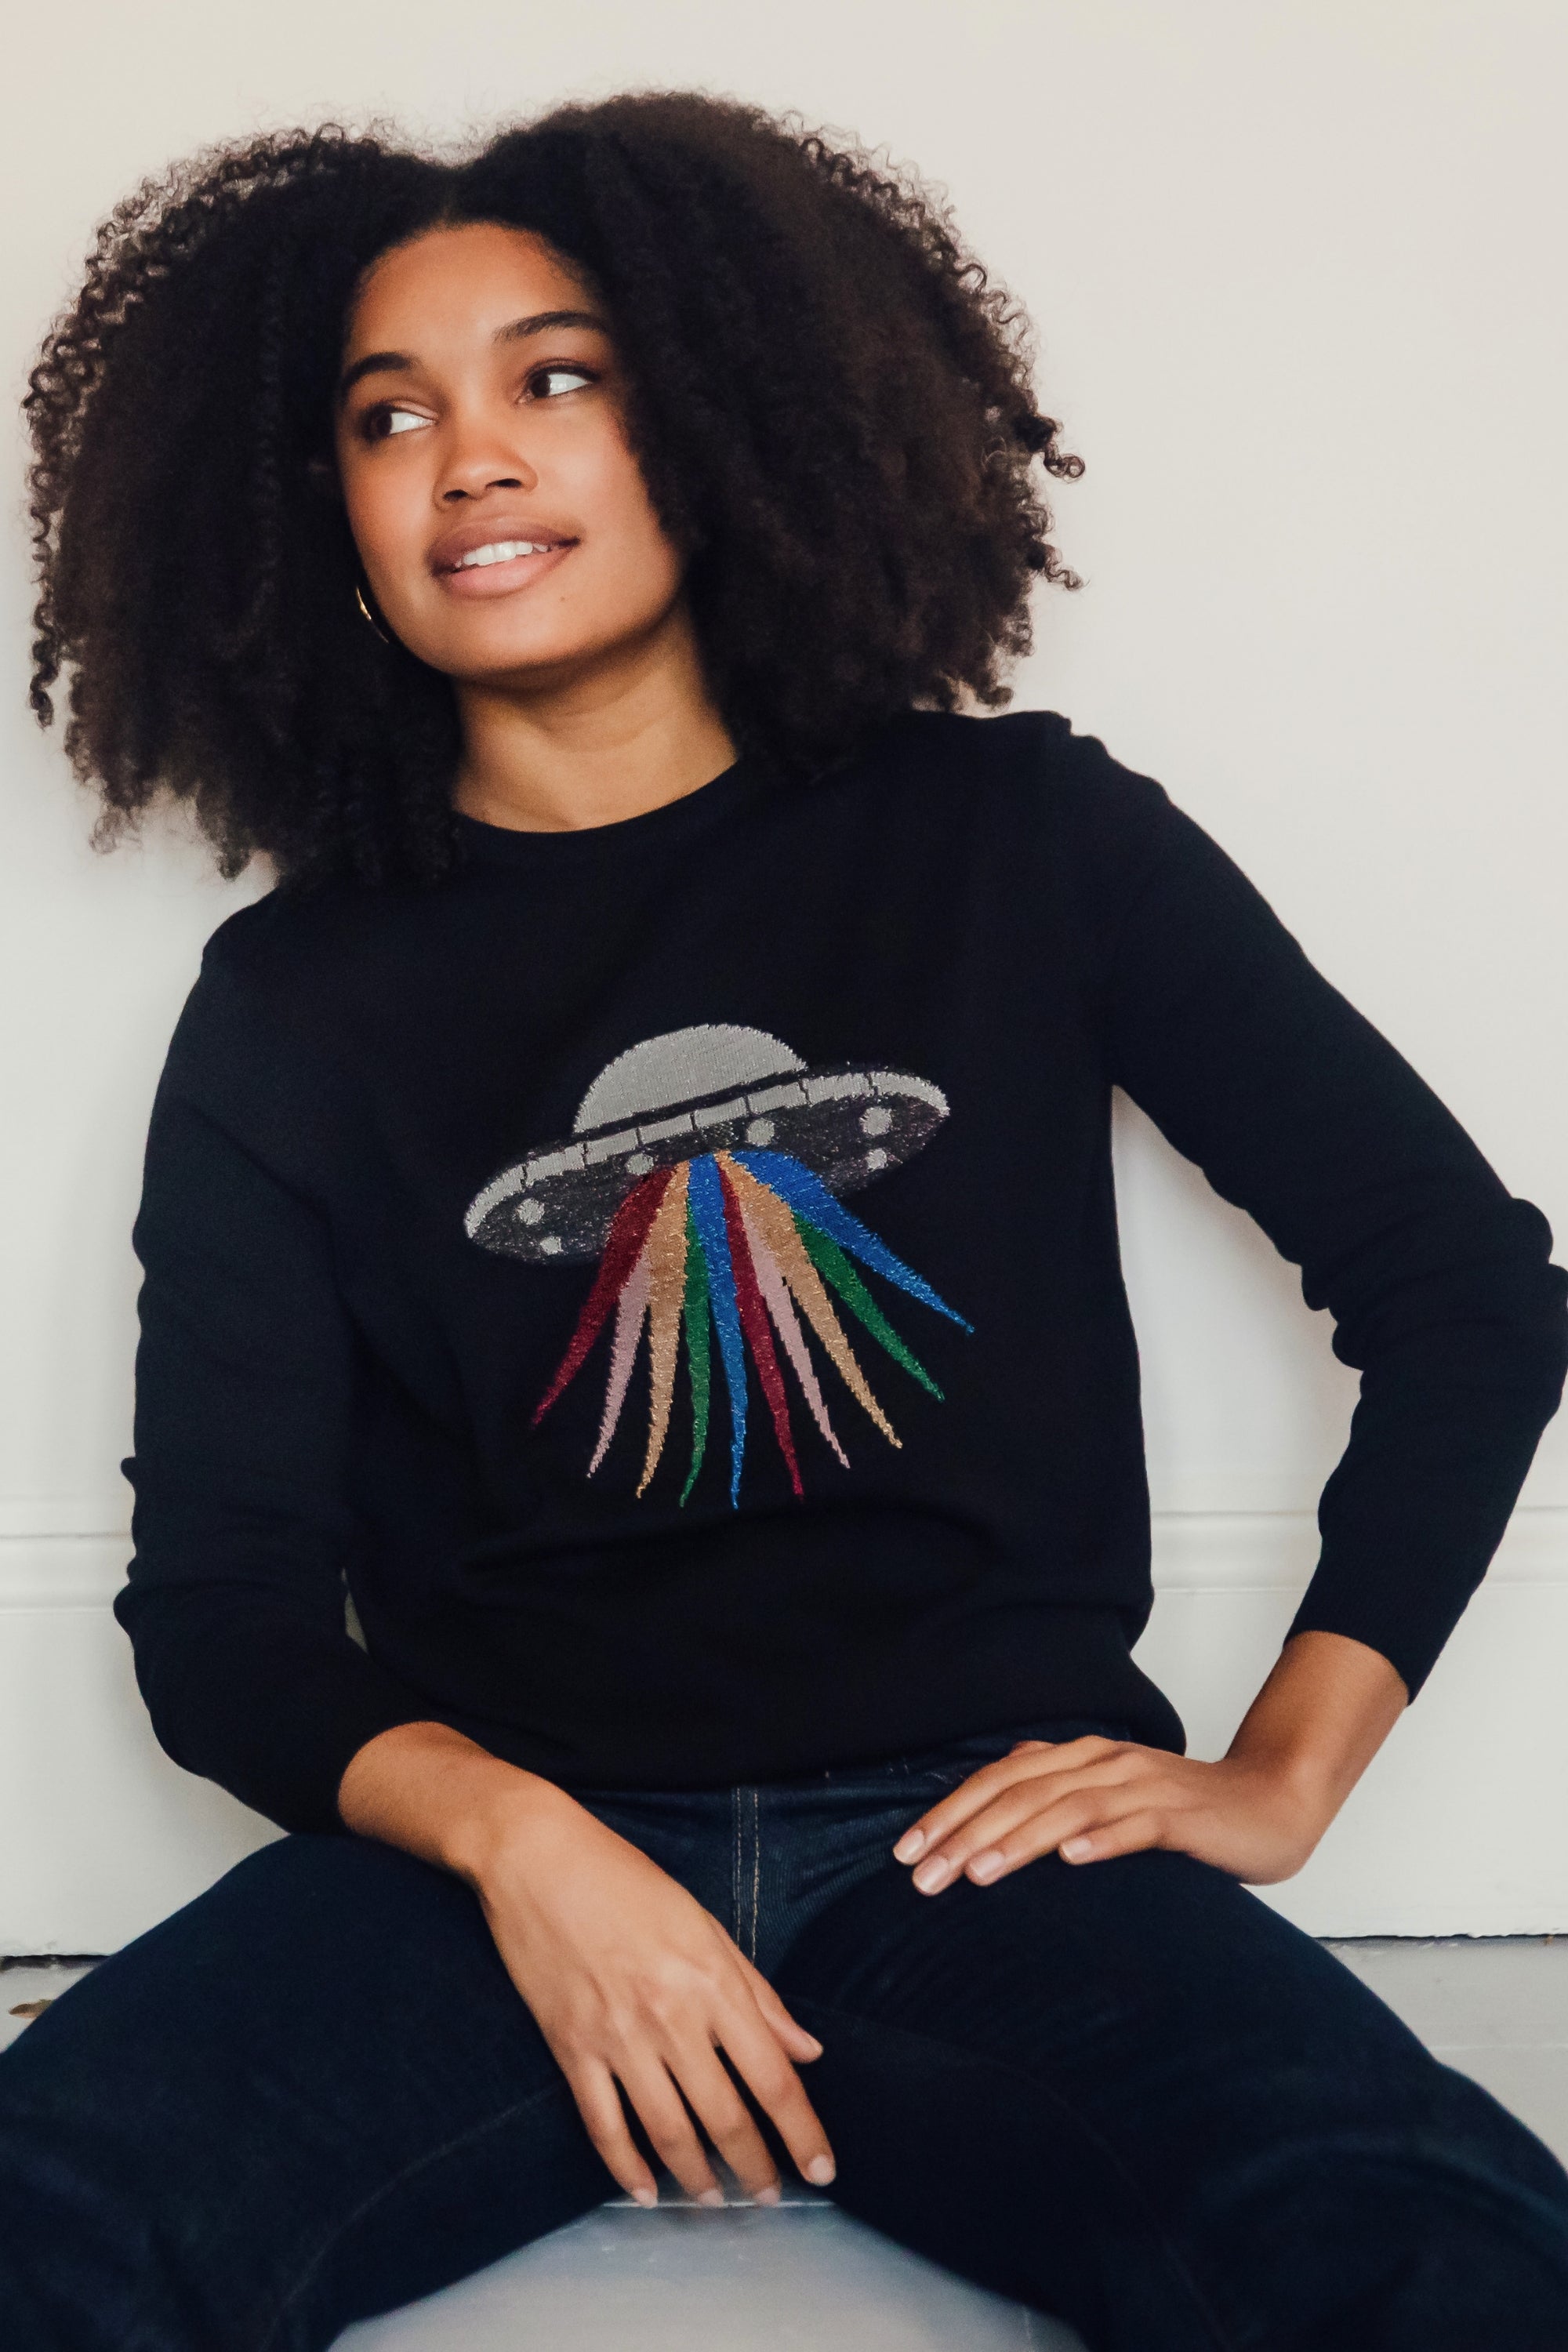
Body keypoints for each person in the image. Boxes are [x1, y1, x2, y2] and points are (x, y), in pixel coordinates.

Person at [3, 89, 1566, 2352]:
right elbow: (221, 1614)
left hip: (988, 1853)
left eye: (558, 378)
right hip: (493, 1881)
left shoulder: (1020, 839)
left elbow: (1465, 1287)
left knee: (1426, 2239)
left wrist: (1284, 1772)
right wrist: (523, 1848)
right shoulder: (295, 1002)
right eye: (388, 415)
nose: (470, 457)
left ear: (724, 422)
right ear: (320, 518)